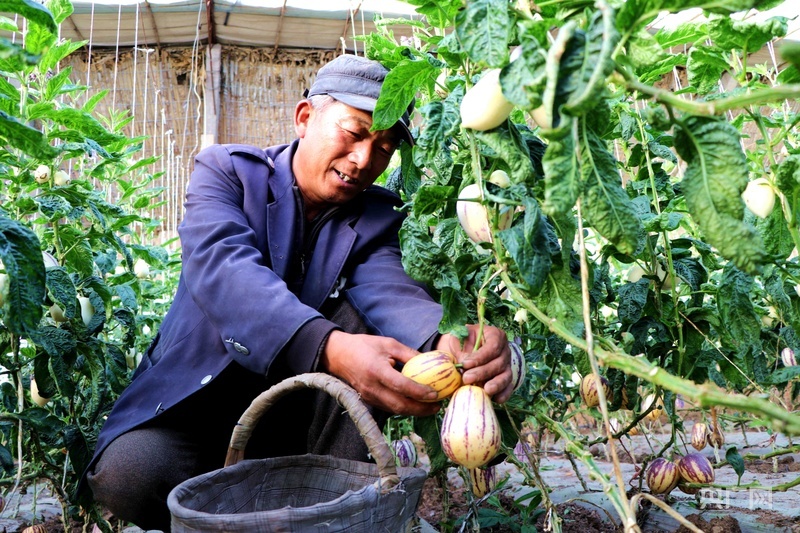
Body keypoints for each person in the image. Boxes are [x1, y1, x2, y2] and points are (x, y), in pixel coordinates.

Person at [81, 54, 512, 531]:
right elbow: (224, 271)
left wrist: (445, 342)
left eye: (385, 148)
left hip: (296, 429)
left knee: (366, 321)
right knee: (131, 474)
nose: (365, 160)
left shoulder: (379, 216)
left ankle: (327, 500)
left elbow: (392, 291)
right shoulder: (227, 173)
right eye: (354, 133)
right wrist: (327, 347)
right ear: (305, 118)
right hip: (194, 411)